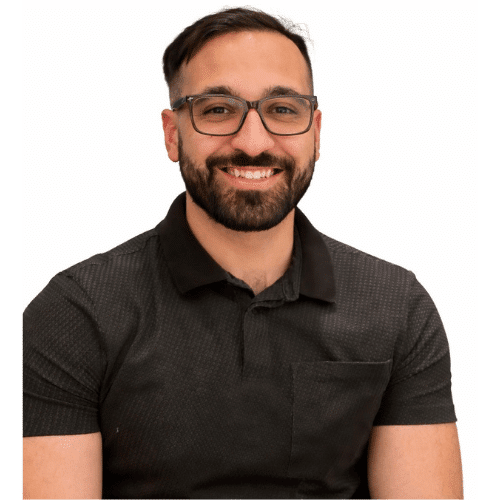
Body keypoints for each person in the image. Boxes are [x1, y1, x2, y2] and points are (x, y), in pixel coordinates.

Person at [23, 7, 463, 499]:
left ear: (316, 132)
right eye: (217, 109)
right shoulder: (76, 314)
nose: (253, 142)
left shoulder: (396, 307)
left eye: (283, 109)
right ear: (172, 133)